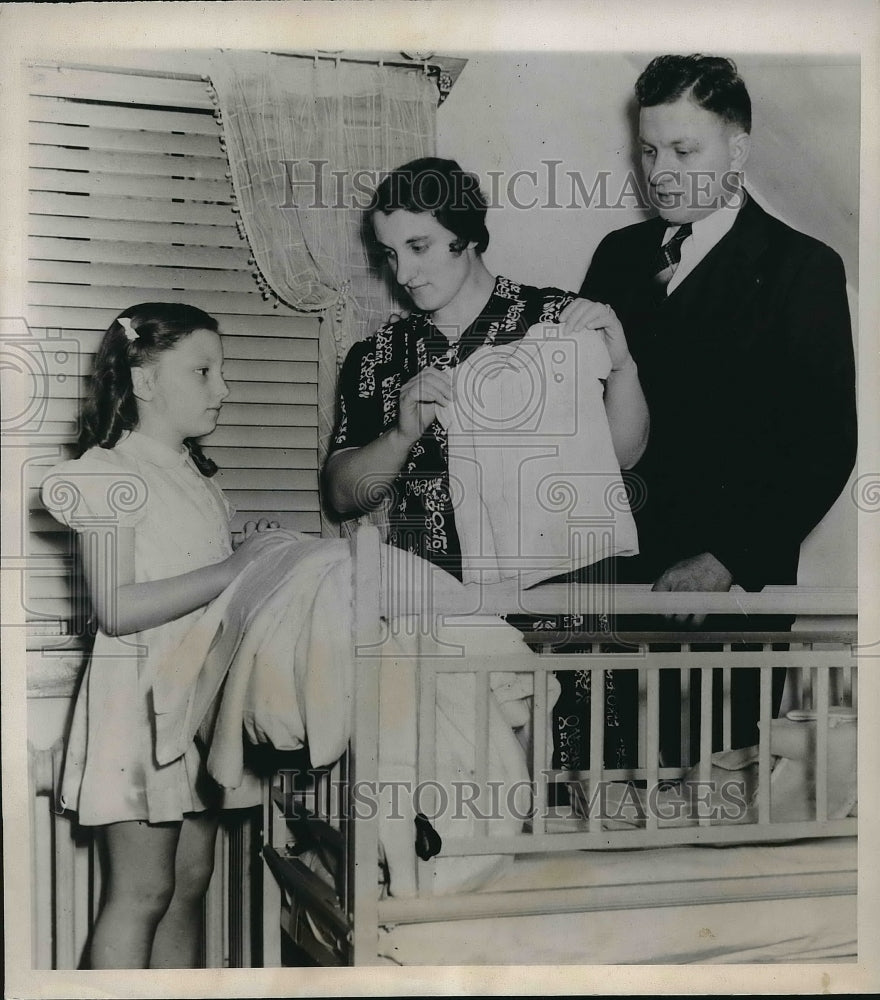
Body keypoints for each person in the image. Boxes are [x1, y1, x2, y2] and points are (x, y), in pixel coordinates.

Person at [324, 156, 649, 775]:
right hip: (439, 613)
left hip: (565, 611)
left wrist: (624, 365)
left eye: (419, 246)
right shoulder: (378, 357)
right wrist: (400, 433)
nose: (405, 272)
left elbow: (622, 456)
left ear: (467, 234)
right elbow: (343, 495)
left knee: (582, 802)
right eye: (391, 253)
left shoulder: (556, 320)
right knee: (461, 797)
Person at [579, 55, 857, 756]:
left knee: (709, 811)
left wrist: (725, 560)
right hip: (610, 590)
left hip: (729, 604)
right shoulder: (617, 256)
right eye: (648, 150)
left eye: (682, 149)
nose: (660, 170)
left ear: (737, 150)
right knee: (593, 811)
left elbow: (825, 444)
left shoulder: (804, 267)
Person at [40, 303, 279, 968]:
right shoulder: (107, 474)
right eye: (203, 371)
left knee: (188, 886)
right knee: (142, 890)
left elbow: (208, 592)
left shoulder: (197, 478)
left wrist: (253, 569)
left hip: (194, 704)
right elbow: (116, 607)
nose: (223, 389)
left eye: (222, 371)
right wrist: (232, 569)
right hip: (139, 709)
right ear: (144, 382)